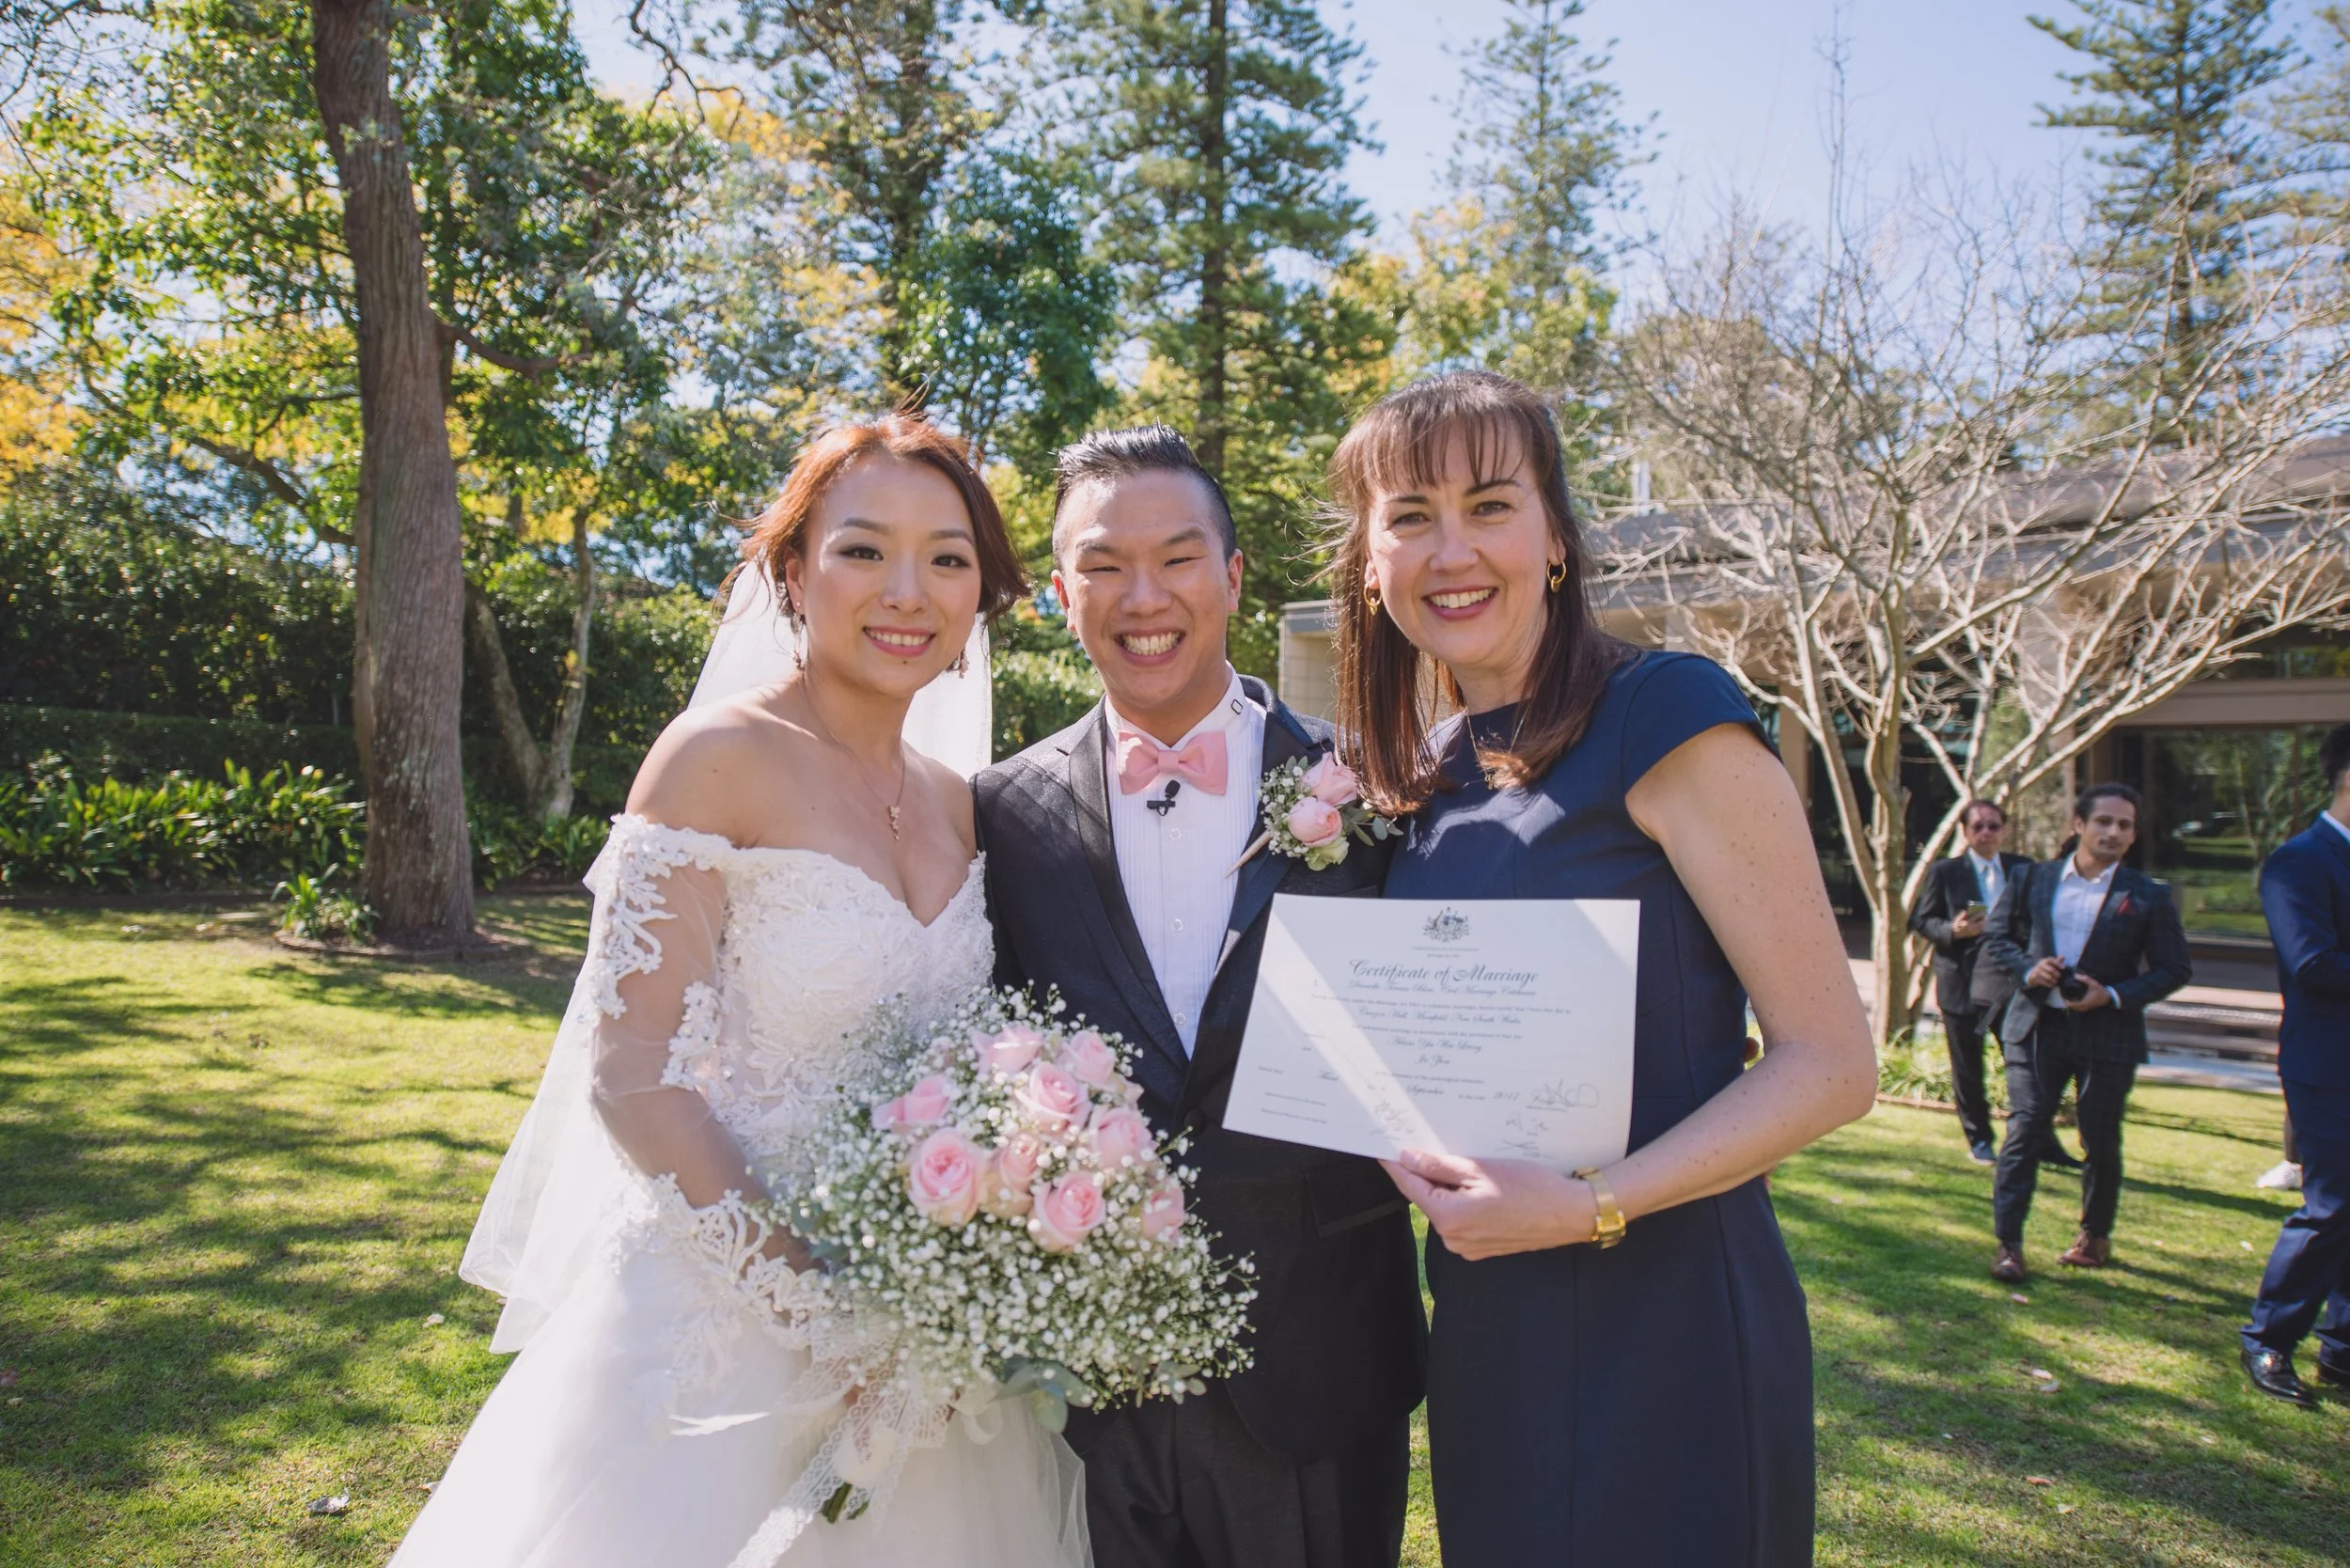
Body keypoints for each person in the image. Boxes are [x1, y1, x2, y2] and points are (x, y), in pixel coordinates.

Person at [393, 415, 1089, 1568]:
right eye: (863, 549)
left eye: (947, 558)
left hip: (931, 1335)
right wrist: (826, 1313)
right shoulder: (715, 757)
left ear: (981, 595)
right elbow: (632, 1078)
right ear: (794, 572)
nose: (906, 590)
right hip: (729, 1320)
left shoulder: (962, 803)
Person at [1331, 370, 1877, 1567]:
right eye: (1410, 516)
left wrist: (1592, 1208)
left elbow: (1833, 1064)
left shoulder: (1665, 713)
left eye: (1489, 504)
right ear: (1371, 565)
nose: (1452, 551)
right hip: (1489, 1315)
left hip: (1663, 1313)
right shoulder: (1424, 773)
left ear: (1556, 539)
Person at [977, 427, 1426, 1568]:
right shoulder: (998, 812)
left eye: (1177, 558)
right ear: (1060, 594)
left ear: (1230, 575)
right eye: (1102, 565)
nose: (1144, 598)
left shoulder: (1375, 784)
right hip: (1093, 1378)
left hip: (1318, 1356)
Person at [1981, 783, 2191, 1282]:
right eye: (2104, 822)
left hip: (2109, 1032)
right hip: (2037, 1026)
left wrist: (2112, 995)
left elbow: (2174, 968)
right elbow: (1997, 936)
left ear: (2133, 835)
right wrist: (2029, 968)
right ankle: (2009, 1246)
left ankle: (2094, 1237)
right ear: (2079, 825)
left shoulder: (2148, 895)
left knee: (2099, 1137)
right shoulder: (2033, 878)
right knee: (2025, 1129)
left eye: (2124, 825)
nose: (2113, 832)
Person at [2240, 722, 2350, 1406]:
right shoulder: (2298, 862)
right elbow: (2312, 963)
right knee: (2333, 1207)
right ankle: (2268, 1340)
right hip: (2329, 1064)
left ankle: (2341, 1348)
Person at [1909, 800, 2033, 1163]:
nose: (1986, 833)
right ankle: (1979, 1139)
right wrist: (1955, 930)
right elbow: (1922, 921)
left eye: (1993, 826)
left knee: (2026, 1064)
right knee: (1968, 1068)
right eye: (1978, 826)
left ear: (2004, 830)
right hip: (1962, 984)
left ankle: (2033, 1137)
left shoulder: (2023, 870)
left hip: (2011, 986)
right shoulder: (1946, 872)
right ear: (1964, 832)